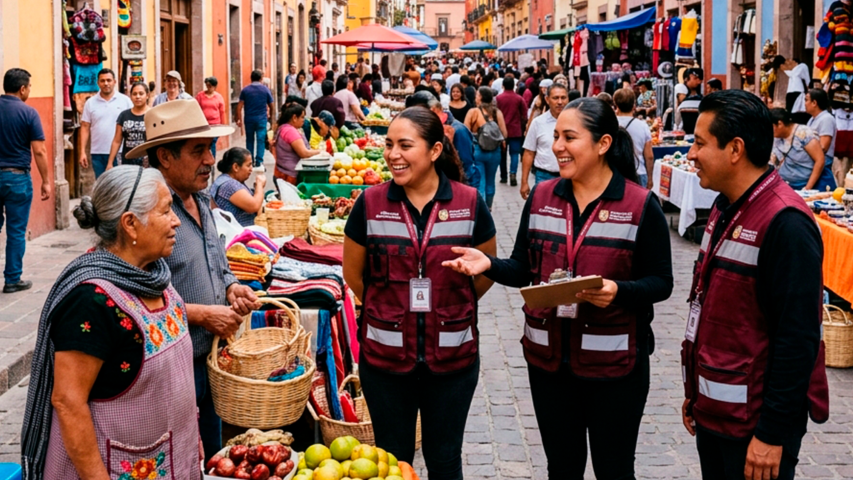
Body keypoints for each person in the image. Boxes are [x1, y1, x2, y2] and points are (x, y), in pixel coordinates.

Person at [443, 97, 673, 480]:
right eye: (555, 137)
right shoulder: (542, 196)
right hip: (549, 365)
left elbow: (661, 282)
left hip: (615, 368)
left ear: (602, 144)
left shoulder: (639, 204)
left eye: (570, 137)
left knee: (614, 469)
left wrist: (618, 290)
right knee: (561, 468)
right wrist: (489, 265)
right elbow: (522, 267)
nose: (557, 147)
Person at [342, 107, 497, 480]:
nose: (393, 154)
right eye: (389, 144)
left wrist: (450, 303)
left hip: (453, 360)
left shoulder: (469, 202)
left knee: (444, 459)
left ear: (434, 150)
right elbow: (354, 275)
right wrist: (389, 307)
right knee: (391, 462)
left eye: (405, 145)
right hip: (386, 361)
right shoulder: (370, 203)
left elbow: (486, 270)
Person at [681, 90, 828, 480]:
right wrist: (695, 392)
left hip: (754, 429)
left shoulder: (787, 224)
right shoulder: (724, 205)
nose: (691, 154)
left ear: (735, 149)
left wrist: (772, 434)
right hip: (717, 411)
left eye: (699, 143)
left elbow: (797, 340)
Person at [21, 166, 201, 479]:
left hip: (175, 458)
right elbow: (68, 401)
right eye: (166, 211)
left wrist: (191, 433)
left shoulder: (155, 276)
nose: (175, 221)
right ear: (130, 224)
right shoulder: (90, 302)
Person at [122, 99, 258, 460]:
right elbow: (136, 301)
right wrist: (201, 314)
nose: (211, 160)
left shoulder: (202, 198)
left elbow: (216, 260)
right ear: (165, 157)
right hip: (171, 368)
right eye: (199, 151)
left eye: (210, 150)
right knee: (177, 458)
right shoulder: (148, 220)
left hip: (210, 359)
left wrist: (231, 286)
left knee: (213, 456)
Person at [0, 68, 51, 294]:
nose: (29, 91)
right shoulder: (29, 113)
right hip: (17, 177)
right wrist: (46, 181)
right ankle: (12, 279)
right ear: (22, 89)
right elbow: (39, 151)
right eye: (29, 87)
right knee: (16, 231)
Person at [407, 90, 478, 189]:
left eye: (421, 113)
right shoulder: (430, 128)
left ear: (435, 109)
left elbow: (467, 168)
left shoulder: (458, 130)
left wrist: (465, 196)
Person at [80, 68, 133, 178]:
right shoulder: (90, 103)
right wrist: (82, 152)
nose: (106, 83)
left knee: (119, 185)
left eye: (109, 80)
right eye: (102, 81)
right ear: (98, 83)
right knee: (101, 184)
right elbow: (85, 127)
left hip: (120, 151)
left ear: (114, 82)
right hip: (97, 152)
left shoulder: (125, 101)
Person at [520, 83, 569, 199]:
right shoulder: (538, 123)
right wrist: (524, 182)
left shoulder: (577, 122)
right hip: (544, 176)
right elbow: (529, 152)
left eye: (563, 97)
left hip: (569, 177)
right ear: (547, 99)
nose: (560, 102)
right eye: (555, 98)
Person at [769, 108, 835, 191]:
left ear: (780, 124)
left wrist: (807, 188)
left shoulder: (804, 133)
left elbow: (820, 160)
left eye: (771, 126)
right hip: (787, 185)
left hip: (809, 185)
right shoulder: (776, 138)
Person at [465, 87, 508, 208]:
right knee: (490, 182)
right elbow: (504, 134)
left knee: (480, 182)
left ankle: (481, 211)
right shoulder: (497, 112)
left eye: (477, 95)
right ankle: (488, 207)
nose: (475, 97)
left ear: (480, 97)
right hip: (495, 152)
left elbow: (465, 131)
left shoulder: (473, 112)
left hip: (478, 150)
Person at [211, 147, 266, 226]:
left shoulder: (231, 180)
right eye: (248, 165)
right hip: (235, 234)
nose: (251, 169)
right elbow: (254, 206)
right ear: (235, 167)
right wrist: (259, 185)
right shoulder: (229, 185)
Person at [614, 88, 654, 188]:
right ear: (634, 106)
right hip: (639, 172)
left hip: (615, 173)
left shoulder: (610, 124)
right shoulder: (643, 126)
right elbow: (649, 156)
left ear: (616, 105)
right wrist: (650, 179)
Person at [275, 103, 322, 184]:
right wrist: (320, 151)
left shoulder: (283, 128)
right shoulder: (290, 131)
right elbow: (304, 153)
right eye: (302, 117)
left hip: (282, 172)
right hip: (289, 175)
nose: (304, 120)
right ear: (294, 118)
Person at [237, 70, 274, 169]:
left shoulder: (245, 90)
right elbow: (272, 105)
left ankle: (249, 161)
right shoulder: (265, 90)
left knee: (249, 140)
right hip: (261, 119)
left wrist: (238, 119)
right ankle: (259, 161)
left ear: (251, 78)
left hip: (249, 119)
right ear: (261, 78)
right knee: (260, 139)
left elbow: (239, 106)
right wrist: (272, 118)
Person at [107, 82, 150, 169]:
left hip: (148, 162)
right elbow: (117, 141)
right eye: (134, 94)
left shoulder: (152, 114)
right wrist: (110, 162)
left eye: (141, 94)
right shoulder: (124, 115)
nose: (138, 96)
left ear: (147, 95)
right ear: (130, 96)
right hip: (128, 162)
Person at [496, 75, 528, 187]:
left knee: (502, 154)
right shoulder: (519, 98)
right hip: (516, 130)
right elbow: (524, 115)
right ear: (514, 86)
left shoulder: (498, 98)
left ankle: (503, 176)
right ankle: (513, 174)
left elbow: (494, 114)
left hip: (501, 131)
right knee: (515, 153)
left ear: (503, 86)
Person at [805, 88, 838, 190]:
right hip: (811, 164)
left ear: (814, 103)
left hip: (822, 166)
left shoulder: (826, 119)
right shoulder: (812, 119)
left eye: (806, 100)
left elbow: (824, 147)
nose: (804, 103)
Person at [195, 77, 227, 158]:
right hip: (204, 125)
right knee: (205, 143)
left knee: (212, 143)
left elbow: (222, 111)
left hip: (215, 125)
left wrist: (223, 126)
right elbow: (196, 109)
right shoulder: (200, 95)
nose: (208, 87)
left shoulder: (219, 97)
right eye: (207, 85)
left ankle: (212, 161)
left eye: (210, 86)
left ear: (214, 87)